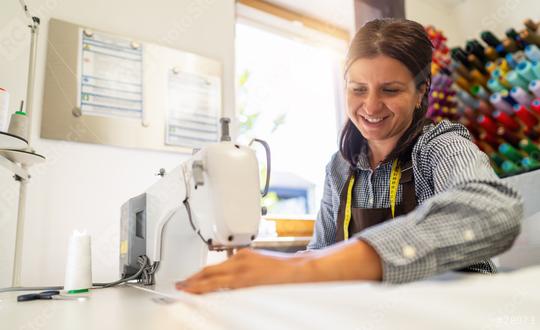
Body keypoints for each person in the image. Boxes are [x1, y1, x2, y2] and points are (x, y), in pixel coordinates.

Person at [176, 18, 522, 294]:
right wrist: (272, 269)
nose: (370, 106)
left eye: (390, 90)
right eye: (358, 89)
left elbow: (493, 211)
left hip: (462, 312)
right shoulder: (340, 168)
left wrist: (313, 266)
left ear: (420, 95)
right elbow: (322, 250)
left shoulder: (439, 146)